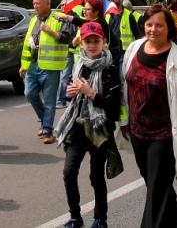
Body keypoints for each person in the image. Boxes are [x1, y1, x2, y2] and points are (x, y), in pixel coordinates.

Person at [120, 4, 177, 228]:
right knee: (155, 185)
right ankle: (174, 214)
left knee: (156, 193)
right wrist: (123, 121)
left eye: (159, 25)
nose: (153, 29)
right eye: (149, 25)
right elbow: (126, 88)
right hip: (138, 132)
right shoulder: (134, 48)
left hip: (165, 136)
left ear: (169, 28)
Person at [55, 21, 121, 228]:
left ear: (104, 42)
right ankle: (75, 216)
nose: (92, 45)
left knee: (96, 176)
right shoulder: (79, 64)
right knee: (68, 172)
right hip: (77, 125)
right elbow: (72, 96)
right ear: (82, 43)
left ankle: (100, 218)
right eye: (88, 41)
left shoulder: (110, 68)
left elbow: (113, 106)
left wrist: (90, 93)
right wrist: (70, 93)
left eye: (96, 40)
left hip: (100, 128)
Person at [20, 0, 69, 144]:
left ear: (48, 4)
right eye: (34, 3)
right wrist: (24, 65)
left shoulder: (59, 18)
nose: (35, 6)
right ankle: (45, 120)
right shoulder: (33, 20)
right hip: (33, 65)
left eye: (38, 3)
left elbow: (67, 39)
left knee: (49, 101)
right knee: (29, 94)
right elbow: (28, 44)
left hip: (51, 67)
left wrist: (51, 32)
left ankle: (47, 130)